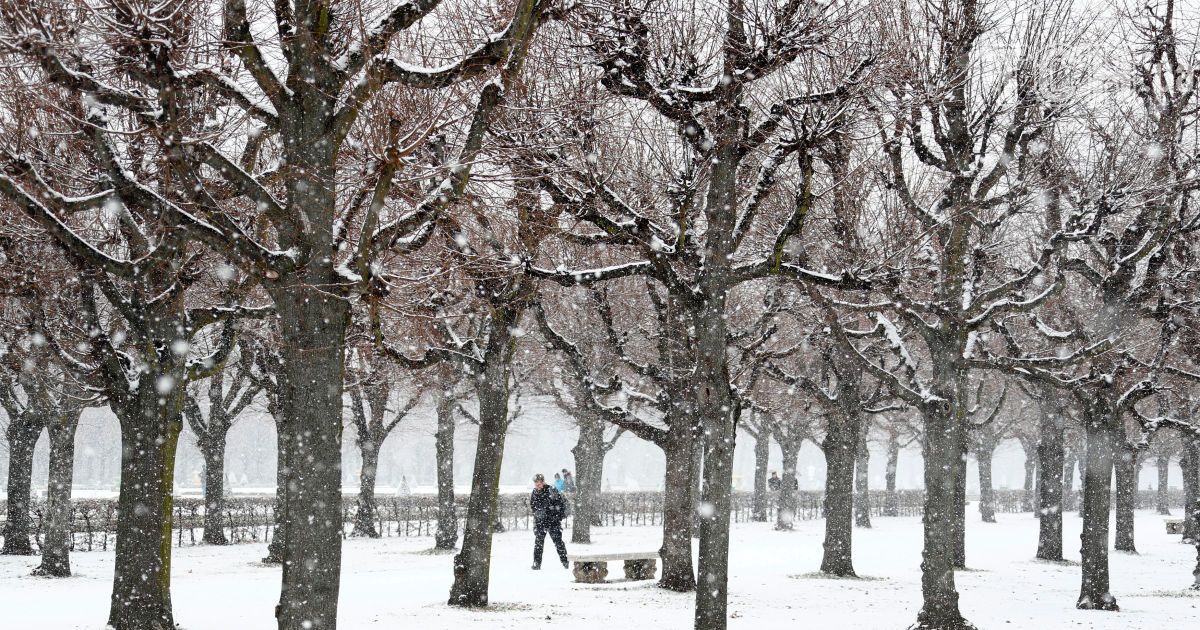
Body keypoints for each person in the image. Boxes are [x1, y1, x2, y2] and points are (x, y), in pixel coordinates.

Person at [529, 473, 569, 570]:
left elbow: (560, 504)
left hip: (553, 522)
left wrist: (555, 515)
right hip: (540, 522)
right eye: (536, 484)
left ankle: (565, 562)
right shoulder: (534, 492)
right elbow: (533, 506)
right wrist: (538, 513)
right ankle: (536, 564)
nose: (538, 486)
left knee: (558, 542)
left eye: (539, 483)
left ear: (543, 482)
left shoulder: (552, 490)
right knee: (538, 544)